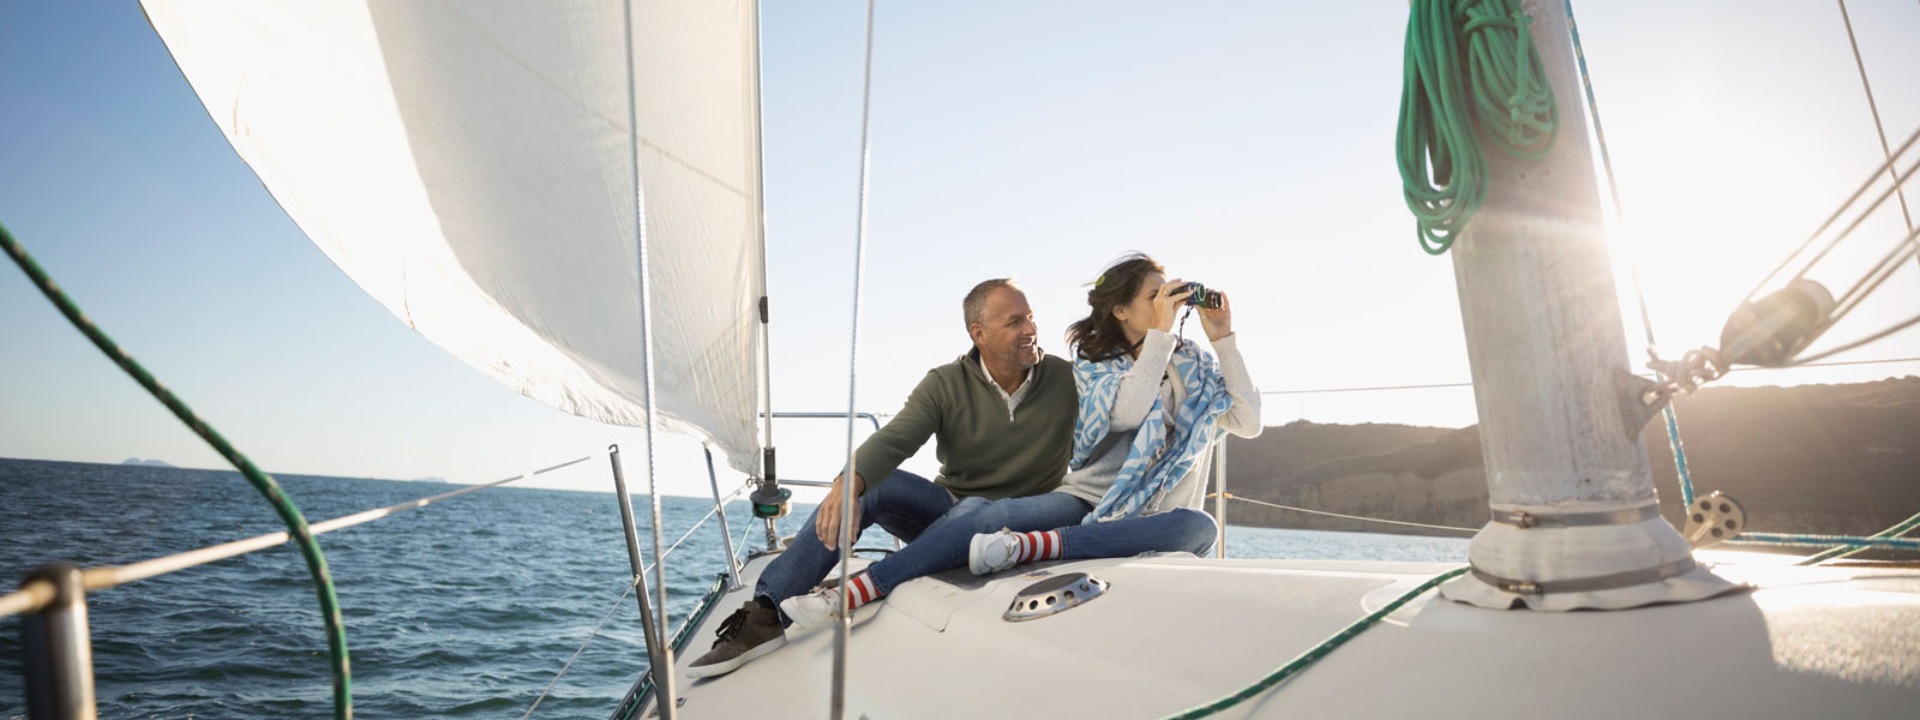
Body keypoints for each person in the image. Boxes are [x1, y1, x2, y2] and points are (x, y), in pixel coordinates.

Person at [779, 253, 1260, 627]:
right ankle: (856, 590)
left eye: (1170, 294)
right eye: (1156, 294)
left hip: (1151, 521)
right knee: (985, 515)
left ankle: (1029, 547)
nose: (1168, 303)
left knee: (1200, 528)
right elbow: (1129, 410)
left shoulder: (1192, 364)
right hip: (1089, 503)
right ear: (1120, 309)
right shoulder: (1095, 366)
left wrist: (1223, 337)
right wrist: (1158, 337)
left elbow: (1247, 420)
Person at [687, 278, 1079, 679]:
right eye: (1015, 322)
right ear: (978, 334)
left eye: (1030, 318)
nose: (1030, 330)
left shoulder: (1070, 379)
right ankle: (767, 614)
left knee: (977, 511)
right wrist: (847, 483)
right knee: (875, 485)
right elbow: (895, 440)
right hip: (951, 512)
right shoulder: (945, 383)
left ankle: (882, 577)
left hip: (1031, 521)